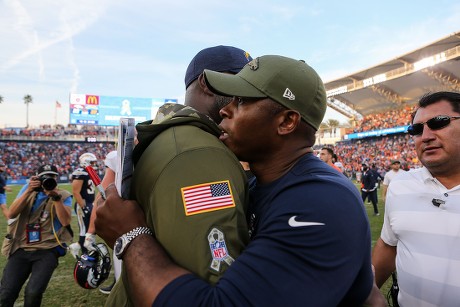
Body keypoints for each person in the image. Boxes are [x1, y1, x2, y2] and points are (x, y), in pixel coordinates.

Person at [95, 55, 385, 306]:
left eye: (242, 101)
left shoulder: (321, 201)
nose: (225, 109)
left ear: (286, 121)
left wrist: (131, 236)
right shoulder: (262, 183)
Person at [103, 45, 253, 306]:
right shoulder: (200, 153)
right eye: (242, 84)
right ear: (207, 83)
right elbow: (210, 287)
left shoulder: (178, 138)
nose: (249, 96)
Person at [372, 91, 460, 306]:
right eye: (416, 129)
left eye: (439, 122)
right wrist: (364, 294)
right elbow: (389, 245)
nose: (426, 136)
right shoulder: (400, 184)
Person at [0, 164, 73, 306]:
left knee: (33, 293)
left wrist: (56, 198)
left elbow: (65, 221)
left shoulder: (63, 195)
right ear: (37, 179)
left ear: (56, 178)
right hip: (21, 247)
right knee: (6, 293)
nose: (48, 179)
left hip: (47, 249)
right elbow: (11, 214)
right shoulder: (28, 190)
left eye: (51, 176)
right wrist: (28, 190)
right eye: (44, 177)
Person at [83, 150, 120, 295]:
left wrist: (90, 233)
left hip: (130, 218)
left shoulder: (117, 156)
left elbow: (101, 197)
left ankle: (121, 282)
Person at [71, 152, 97, 254]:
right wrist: (84, 207)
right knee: (84, 229)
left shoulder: (89, 172)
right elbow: (76, 192)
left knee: (89, 228)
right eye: (92, 162)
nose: (94, 165)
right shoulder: (80, 172)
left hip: (89, 203)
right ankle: (85, 252)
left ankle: (76, 246)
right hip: (82, 204)